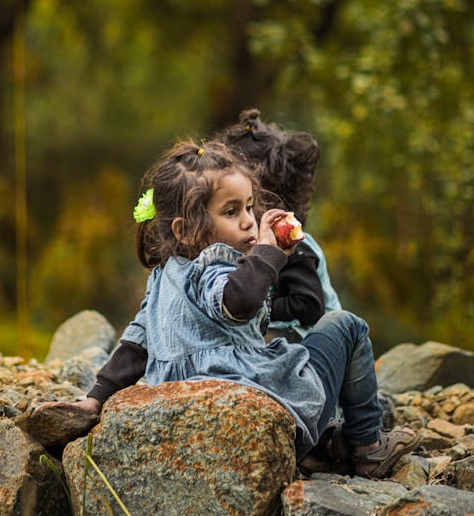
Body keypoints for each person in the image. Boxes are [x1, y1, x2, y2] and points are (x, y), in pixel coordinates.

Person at [52, 138, 418, 478]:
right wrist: (269, 253)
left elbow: (134, 346)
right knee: (345, 325)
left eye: (248, 207)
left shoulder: (163, 278)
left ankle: (327, 444)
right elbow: (238, 301)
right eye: (231, 212)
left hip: (192, 426)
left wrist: (95, 399)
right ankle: (367, 447)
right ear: (184, 229)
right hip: (258, 420)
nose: (247, 220)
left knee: (288, 354)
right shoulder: (218, 265)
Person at [214, 108, 341, 341]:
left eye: (249, 205)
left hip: (315, 345)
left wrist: (256, 307)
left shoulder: (293, 246)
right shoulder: (240, 244)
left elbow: (308, 305)